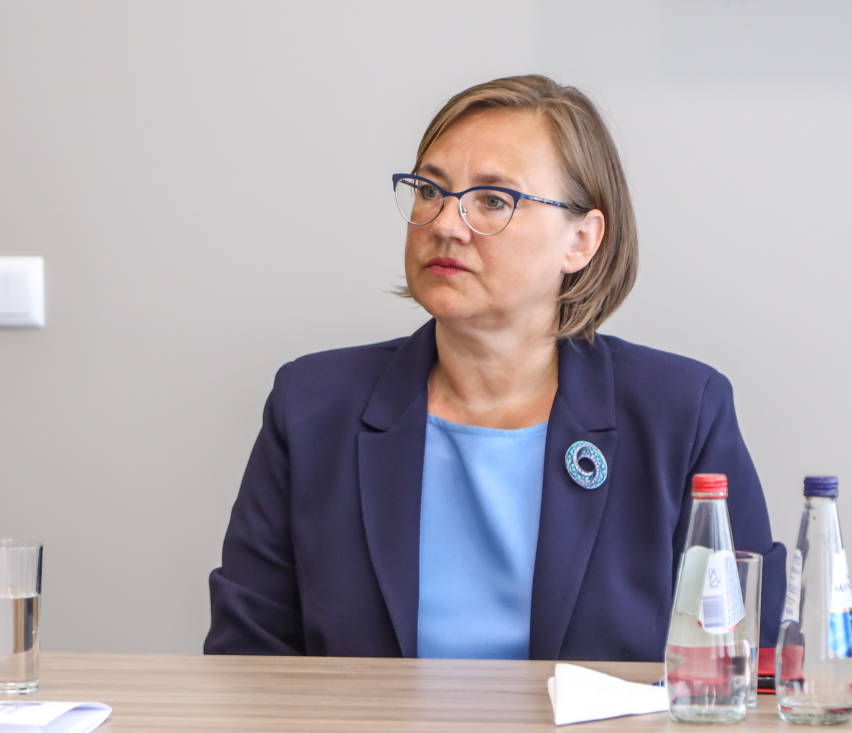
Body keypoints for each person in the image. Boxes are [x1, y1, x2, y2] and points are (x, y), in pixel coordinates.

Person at [204, 75, 786, 661]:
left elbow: (753, 659)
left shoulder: (681, 413)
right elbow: (248, 657)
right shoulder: (312, 406)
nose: (444, 224)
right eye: (429, 190)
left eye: (493, 200)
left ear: (581, 240)